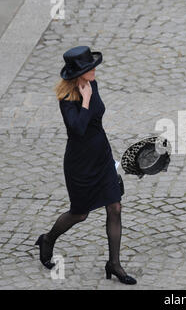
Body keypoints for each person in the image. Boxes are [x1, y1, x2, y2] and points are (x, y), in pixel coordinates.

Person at [35, 46, 137, 284]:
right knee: (80, 214)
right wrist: (87, 100)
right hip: (80, 163)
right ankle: (48, 239)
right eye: (89, 68)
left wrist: (91, 96)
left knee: (115, 207)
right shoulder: (67, 98)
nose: (94, 70)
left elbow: (97, 119)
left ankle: (114, 263)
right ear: (78, 73)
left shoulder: (93, 84)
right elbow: (78, 129)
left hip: (101, 156)